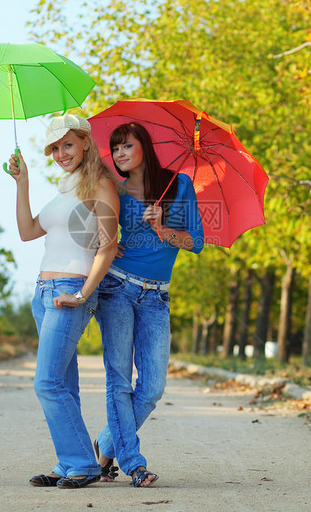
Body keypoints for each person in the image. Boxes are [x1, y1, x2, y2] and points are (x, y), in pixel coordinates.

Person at [7, 113, 120, 489]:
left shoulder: (100, 187)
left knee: (47, 382)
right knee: (64, 384)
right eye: (54, 148)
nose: (60, 153)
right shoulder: (65, 187)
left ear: (86, 142)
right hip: (43, 292)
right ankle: (69, 463)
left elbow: (107, 247)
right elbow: (27, 231)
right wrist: (23, 183)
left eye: (67, 144)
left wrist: (83, 294)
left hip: (71, 291)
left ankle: (83, 464)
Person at [93, 122, 204, 487]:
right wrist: (108, 241)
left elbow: (196, 243)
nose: (121, 154)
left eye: (127, 146)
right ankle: (134, 464)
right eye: (116, 149)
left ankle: (106, 443)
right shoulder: (114, 188)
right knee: (119, 381)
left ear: (145, 147)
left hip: (157, 296)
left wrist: (162, 230)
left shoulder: (179, 185)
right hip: (118, 288)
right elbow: (94, 227)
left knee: (153, 387)